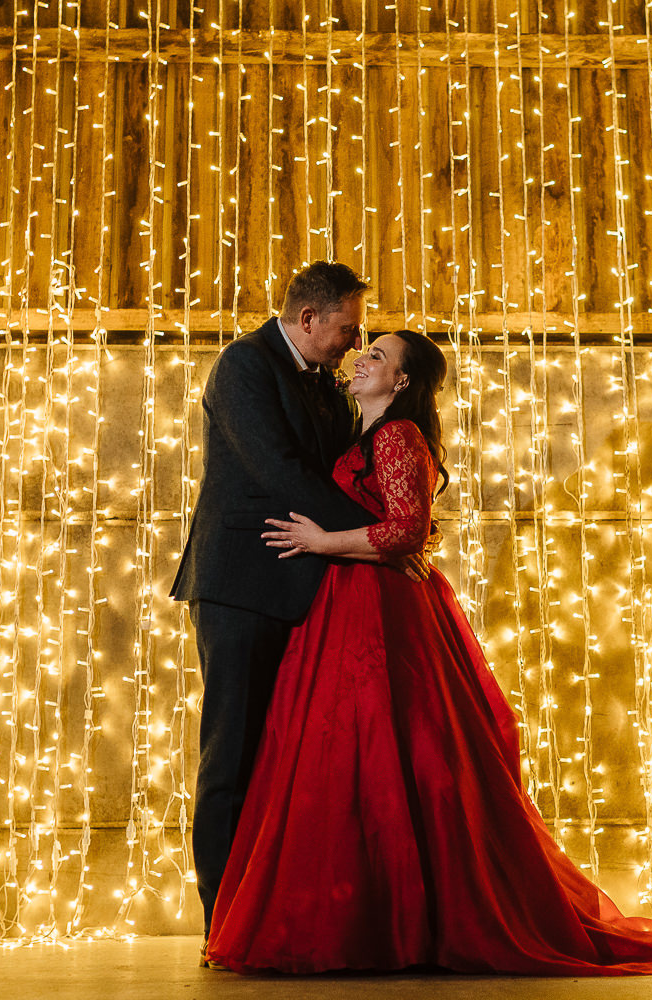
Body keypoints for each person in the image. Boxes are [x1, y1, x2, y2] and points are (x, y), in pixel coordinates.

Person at [203, 330, 652, 976]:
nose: (360, 357)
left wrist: (325, 543)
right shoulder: (361, 432)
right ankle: (365, 915)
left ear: (403, 382)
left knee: (399, 753)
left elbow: (406, 529)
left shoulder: (396, 437)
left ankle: (401, 920)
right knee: (354, 757)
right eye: (362, 348)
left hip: (381, 612)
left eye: (376, 354)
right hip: (349, 608)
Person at [170, 261, 387, 954]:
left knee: (284, 762)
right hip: (239, 588)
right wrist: (372, 534)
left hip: (305, 589)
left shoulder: (327, 385)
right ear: (308, 319)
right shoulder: (243, 365)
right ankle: (223, 925)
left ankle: (269, 915)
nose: (354, 344)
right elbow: (278, 470)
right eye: (347, 329)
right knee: (230, 757)